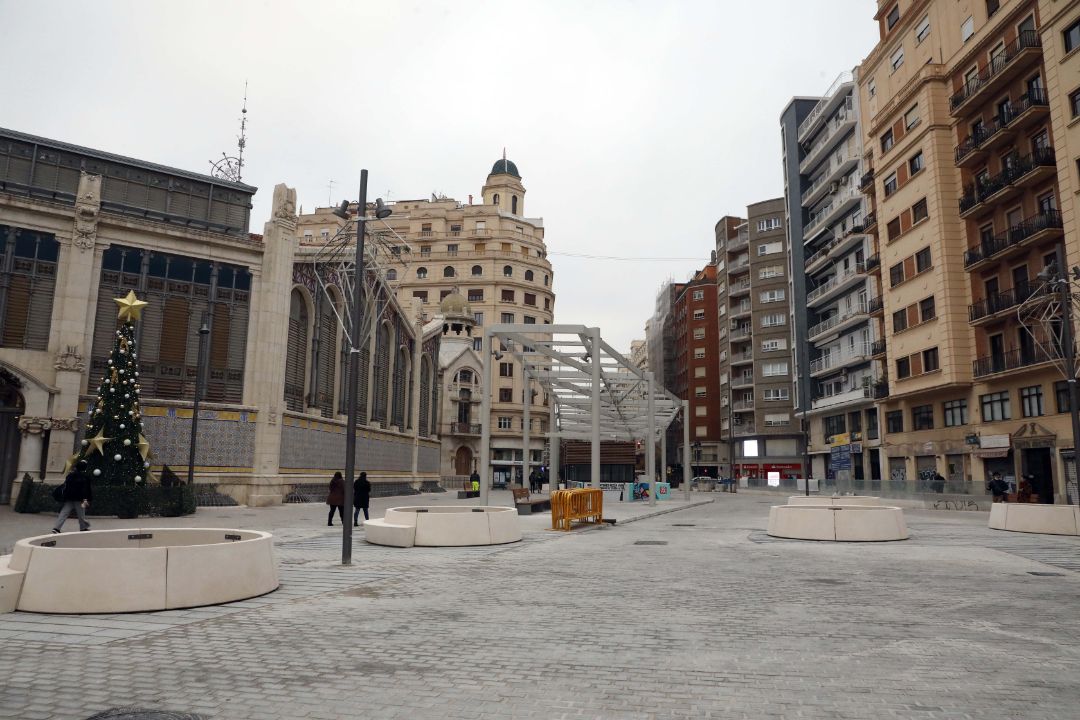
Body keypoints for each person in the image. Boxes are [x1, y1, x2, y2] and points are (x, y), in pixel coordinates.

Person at [53, 459, 92, 533]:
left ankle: (56, 528)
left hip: (69, 497)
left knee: (64, 513)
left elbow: (66, 486)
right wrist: (85, 499)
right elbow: (85, 489)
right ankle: (83, 527)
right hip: (79, 499)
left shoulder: (70, 475)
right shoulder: (85, 477)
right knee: (81, 514)